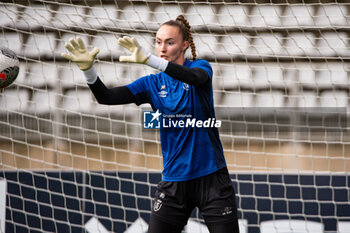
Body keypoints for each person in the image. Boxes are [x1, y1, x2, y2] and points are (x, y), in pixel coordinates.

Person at [62, 15, 239, 233]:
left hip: (212, 179)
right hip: (174, 183)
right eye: (158, 41)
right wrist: (88, 71)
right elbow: (106, 97)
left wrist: (151, 60)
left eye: (169, 42)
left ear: (184, 45)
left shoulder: (201, 67)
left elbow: (195, 78)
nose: (162, 47)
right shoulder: (151, 84)